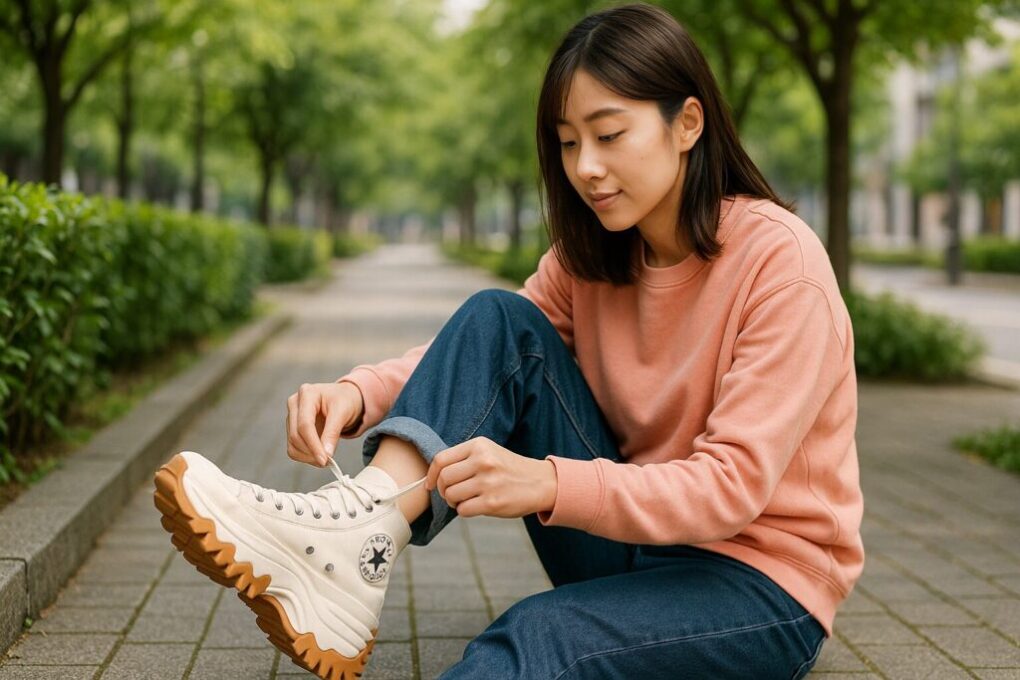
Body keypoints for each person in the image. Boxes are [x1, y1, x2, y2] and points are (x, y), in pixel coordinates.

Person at [153, 3, 864, 678]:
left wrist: (548, 481)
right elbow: (479, 359)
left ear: (687, 124)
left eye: (609, 135)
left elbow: (730, 487)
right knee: (501, 318)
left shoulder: (780, 265)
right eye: (567, 143)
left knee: (539, 635)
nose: (584, 166)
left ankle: (350, 546)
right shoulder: (591, 257)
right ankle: (360, 537)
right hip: (636, 544)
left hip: (757, 588)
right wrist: (356, 391)